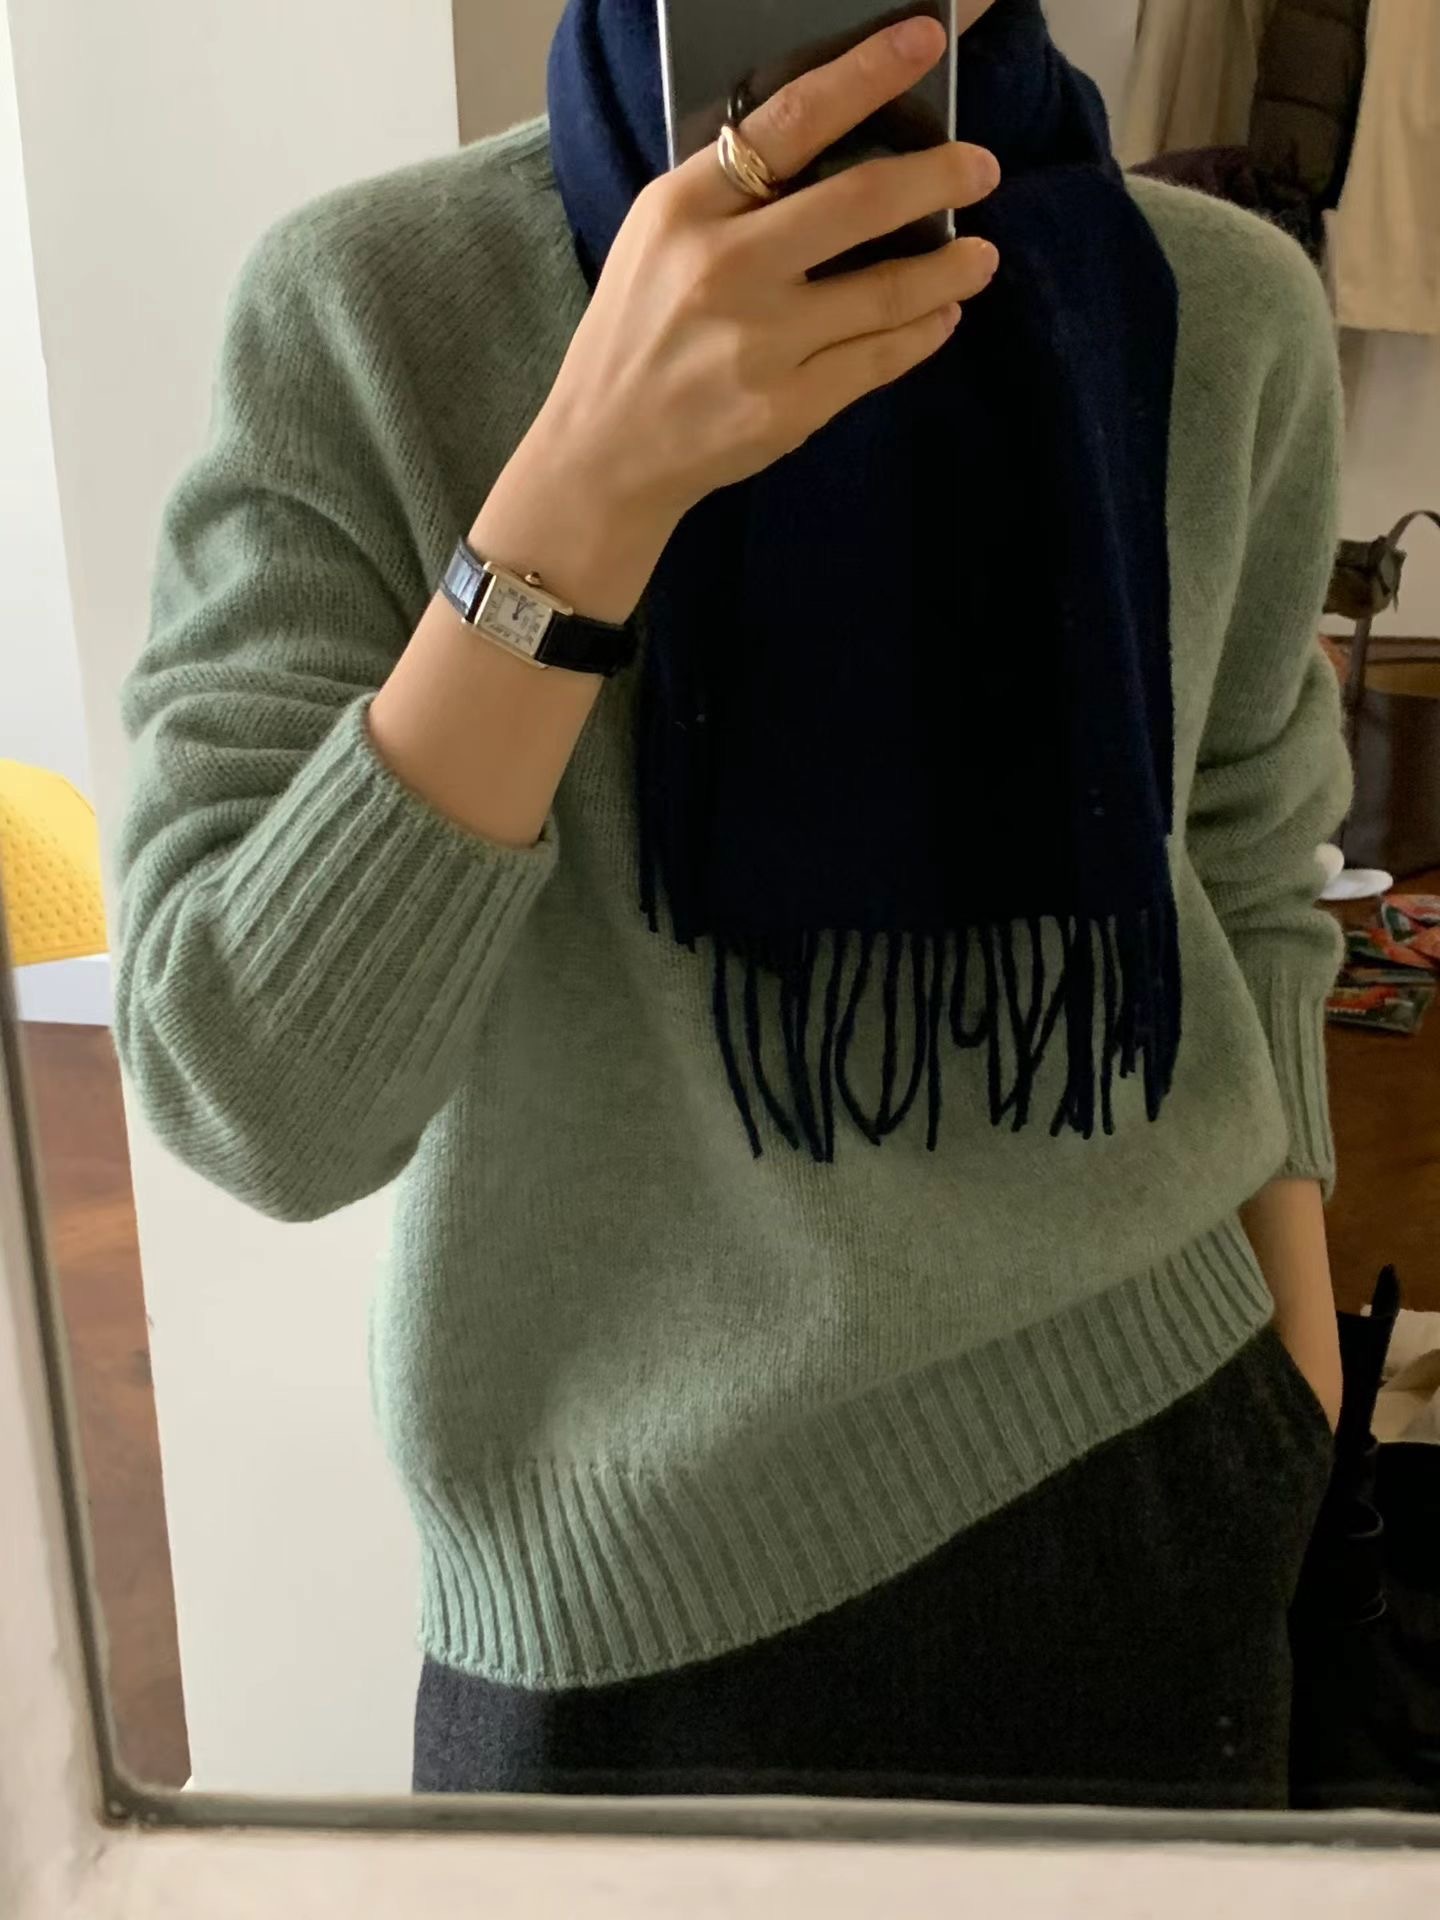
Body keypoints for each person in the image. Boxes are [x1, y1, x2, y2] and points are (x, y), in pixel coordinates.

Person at [117, 0, 1353, 1807]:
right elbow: (256, 1099)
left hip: (1162, 1470)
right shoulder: (370, 314)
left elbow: (1249, 847)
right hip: (610, 1607)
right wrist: (582, 494)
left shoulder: (1224, 307)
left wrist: (1297, 1386)